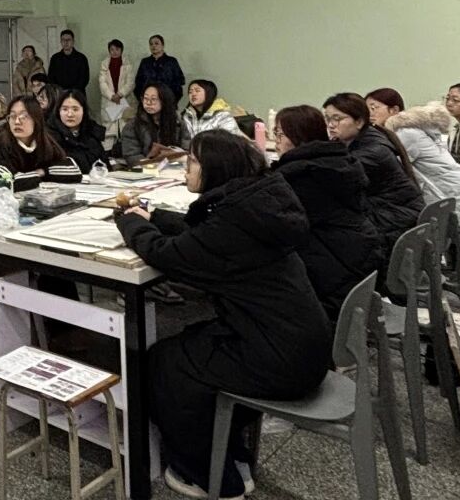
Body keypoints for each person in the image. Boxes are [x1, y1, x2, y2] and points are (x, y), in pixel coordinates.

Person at [117, 132, 330, 499]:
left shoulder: (229, 225)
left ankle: (206, 474)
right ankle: (229, 453)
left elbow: (166, 253)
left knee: (165, 364)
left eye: (192, 162)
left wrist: (130, 222)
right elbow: (201, 235)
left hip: (280, 360)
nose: (185, 168)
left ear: (215, 168)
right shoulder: (255, 206)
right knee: (186, 344)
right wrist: (155, 216)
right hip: (302, 342)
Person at [271, 105, 382, 321]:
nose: (276, 141)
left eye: (280, 134)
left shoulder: (303, 177)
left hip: (332, 278)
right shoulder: (337, 162)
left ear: (299, 136)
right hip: (358, 258)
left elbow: (279, 229)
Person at [367, 88, 460, 239]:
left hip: (458, 218)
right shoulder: (413, 129)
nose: (369, 114)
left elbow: (388, 170)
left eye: (374, 108)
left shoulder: (405, 134)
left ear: (394, 110)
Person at [324, 93, 422, 260]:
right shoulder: (364, 138)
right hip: (396, 211)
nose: (331, 125)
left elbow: (336, 174)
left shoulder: (373, 151)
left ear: (359, 122)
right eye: (327, 119)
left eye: (337, 118)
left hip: (398, 217)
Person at [0, 96, 83, 190]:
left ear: (36, 120)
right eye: (12, 116)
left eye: (24, 116)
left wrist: (43, 172)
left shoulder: (44, 141)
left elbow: (73, 170)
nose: (17, 122)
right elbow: (5, 180)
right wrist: (37, 175)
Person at [48, 89, 109, 173]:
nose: (70, 114)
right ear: (58, 111)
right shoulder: (50, 136)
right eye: (65, 109)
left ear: (84, 111)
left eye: (75, 109)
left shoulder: (92, 132)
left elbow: (105, 166)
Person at [120, 84, 184, 164]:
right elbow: (131, 155)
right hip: (146, 167)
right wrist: (152, 164)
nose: (148, 103)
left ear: (164, 100)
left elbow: (186, 147)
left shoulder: (177, 122)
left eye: (153, 99)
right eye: (146, 98)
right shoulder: (132, 125)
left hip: (175, 166)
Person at [96, 39, 134, 146]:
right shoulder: (104, 64)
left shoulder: (128, 64)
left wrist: (120, 94)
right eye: (112, 49)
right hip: (109, 100)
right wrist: (111, 96)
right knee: (109, 128)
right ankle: (109, 151)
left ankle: (125, 149)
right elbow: (102, 83)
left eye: (117, 49)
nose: (114, 52)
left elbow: (130, 83)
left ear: (121, 50)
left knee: (125, 125)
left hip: (124, 99)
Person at [134, 34, 186, 104]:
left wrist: (172, 100)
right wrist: (142, 98)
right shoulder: (145, 62)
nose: (153, 46)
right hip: (148, 100)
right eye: (151, 44)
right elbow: (138, 82)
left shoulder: (171, 61)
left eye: (156, 43)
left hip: (167, 100)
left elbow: (179, 81)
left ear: (163, 45)